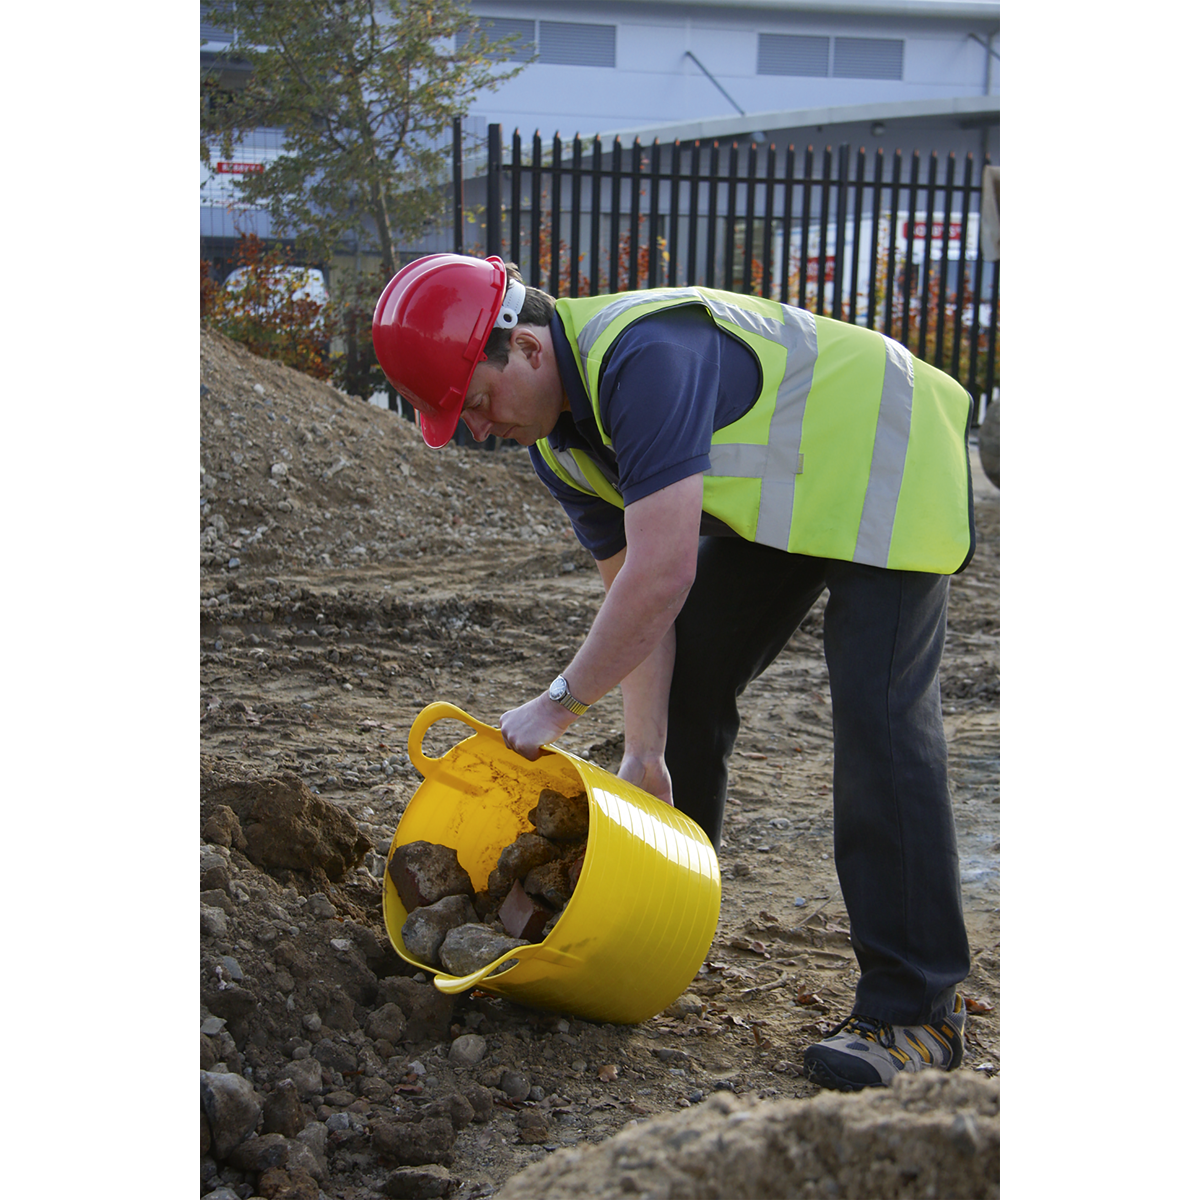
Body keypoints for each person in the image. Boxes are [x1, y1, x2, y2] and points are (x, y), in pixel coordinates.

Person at [372, 253, 975, 1092]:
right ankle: (662, 923)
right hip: (797, 493)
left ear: (529, 349)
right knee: (687, 674)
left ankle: (916, 1013)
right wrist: (645, 751)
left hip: (886, 453)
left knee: (878, 720)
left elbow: (664, 570)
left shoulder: (644, 357)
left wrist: (559, 704)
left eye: (476, 403)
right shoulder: (563, 451)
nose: (478, 430)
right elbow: (640, 605)